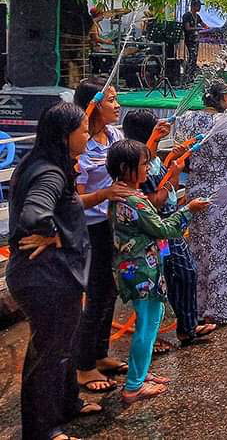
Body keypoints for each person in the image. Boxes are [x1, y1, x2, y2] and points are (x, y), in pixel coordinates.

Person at [7, 102, 102, 440]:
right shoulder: (50, 172)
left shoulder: (47, 163)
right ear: (65, 136)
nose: (88, 135)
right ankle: (41, 429)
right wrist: (55, 235)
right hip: (45, 279)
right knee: (47, 355)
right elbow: (34, 214)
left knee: (64, 344)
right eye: (83, 130)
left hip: (56, 277)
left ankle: (67, 404)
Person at [105, 140, 209, 405]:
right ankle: (133, 387)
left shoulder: (127, 195)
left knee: (153, 317)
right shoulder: (134, 201)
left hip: (141, 267)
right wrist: (188, 210)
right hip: (141, 270)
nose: (149, 170)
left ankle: (141, 372)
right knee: (146, 325)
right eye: (143, 165)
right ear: (127, 169)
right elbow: (162, 229)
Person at [174, 79, 227, 324]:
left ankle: (196, 306)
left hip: (195, 187)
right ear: (222, 99)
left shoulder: (186, 119)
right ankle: (222, 309)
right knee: (225, 251)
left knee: (198, 248)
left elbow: (179, 151)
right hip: (223, 191)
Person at [73, 78, 134, 393]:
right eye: (111, 100)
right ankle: (82, 367)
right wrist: (107, 194)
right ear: (94, 105)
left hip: (114, 223)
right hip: (92, 228)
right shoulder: (79, 146)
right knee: (96, 294)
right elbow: (76, 200)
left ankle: (99, 355)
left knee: (110, 291)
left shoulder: (115, 135)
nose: (118, 105)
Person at [181, 0, 207, 82]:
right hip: (189, 39)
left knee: (194, 58)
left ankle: (191, 77)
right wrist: (198, 28)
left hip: (196, 40)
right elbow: (187, 28)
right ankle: (187, 78)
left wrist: (211, 30)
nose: (199, 8)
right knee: (191, 57)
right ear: (193, 6)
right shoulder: (187, 15)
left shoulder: (197, 16)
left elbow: (204, 25)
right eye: (198, 6)